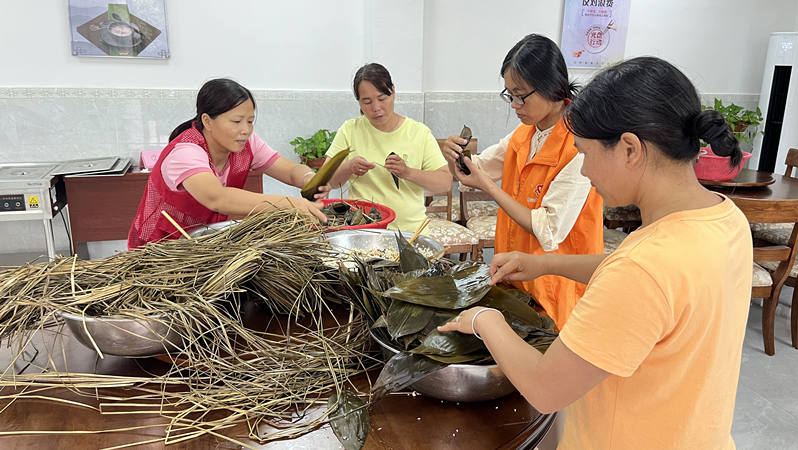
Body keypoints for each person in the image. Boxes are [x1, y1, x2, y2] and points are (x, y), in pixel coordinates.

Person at [439, 56, 751, 449]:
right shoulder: (724, 218)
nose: (584, 171)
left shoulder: (643, 268)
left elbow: (544, 388)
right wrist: (544, 263)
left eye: (585, 153)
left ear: (629, 149)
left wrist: (485, 319)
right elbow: (657, 283)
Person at [440, 34, 603, 330]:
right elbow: (475, 170)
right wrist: (456, 158)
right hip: (517, 276)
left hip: (555, 287)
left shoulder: (580, 146)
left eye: (521, 95)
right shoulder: (523, 135)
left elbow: (547, 228)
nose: (514, 104)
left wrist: (488, 187)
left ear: (552, 87)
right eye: (509, 94)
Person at [128, 78, 328, 249]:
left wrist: (309, 178)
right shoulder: (185, 152)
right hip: (161, 249)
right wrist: (290, 204)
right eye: (236, 121)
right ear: (207, 121)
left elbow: (291, 170)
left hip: (204, 245)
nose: (246, 130)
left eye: (250, 121)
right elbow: (217, 198)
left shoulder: (248, 145)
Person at [325, 63, 451, 233]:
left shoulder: (418, 132)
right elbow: (327, 181)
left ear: (393, 92)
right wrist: (349, 167)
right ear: (359, 102)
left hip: (410, 232)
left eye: (382, 98)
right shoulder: (350, 130)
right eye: (367, 102)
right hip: (362, 229)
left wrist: (407, 172)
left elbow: (444, 183)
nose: (376, 108)